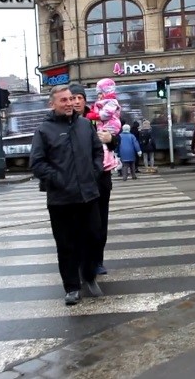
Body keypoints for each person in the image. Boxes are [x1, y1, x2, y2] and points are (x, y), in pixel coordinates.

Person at [30, 84, 104, 306]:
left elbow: (97, 152)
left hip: (89, 195)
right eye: (64, 100)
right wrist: (59, 179)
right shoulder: (44, 130)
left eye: (72, 99)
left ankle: (89, 274)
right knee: (66, 245)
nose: (70, 103)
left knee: (94, 238)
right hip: (61, 200)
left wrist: (94, 171)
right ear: (52, 104)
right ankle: (72, 287)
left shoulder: (85, 125)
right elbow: (37, 163)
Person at [70, 83, 118, 275]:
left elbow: (115, 139)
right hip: (75, 179)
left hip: (100, 177)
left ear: (84, 100)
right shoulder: (66, 121)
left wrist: (111, 139)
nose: (75, 102)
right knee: (78, 223)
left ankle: (97, 260)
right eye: (72, 98)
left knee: (100, 222)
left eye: (79, 98)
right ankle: (81, 260)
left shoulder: (98, 116)